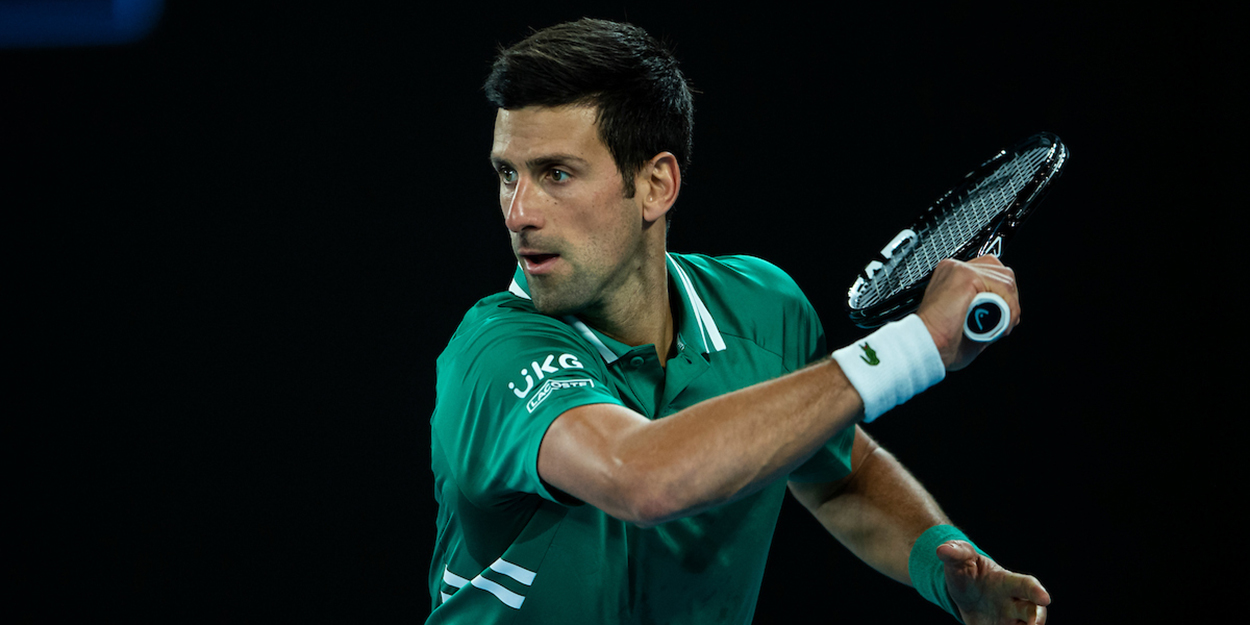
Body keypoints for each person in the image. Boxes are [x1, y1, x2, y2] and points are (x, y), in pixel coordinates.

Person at [428, 18, 1049, 625]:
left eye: (555, 174)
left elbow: (839, 474)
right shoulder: (494, 353)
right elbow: (641, 477)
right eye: (508, 173)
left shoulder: (763, 309)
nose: (517, 213)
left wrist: (942, 574)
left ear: (655, 185)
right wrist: (915, 345)